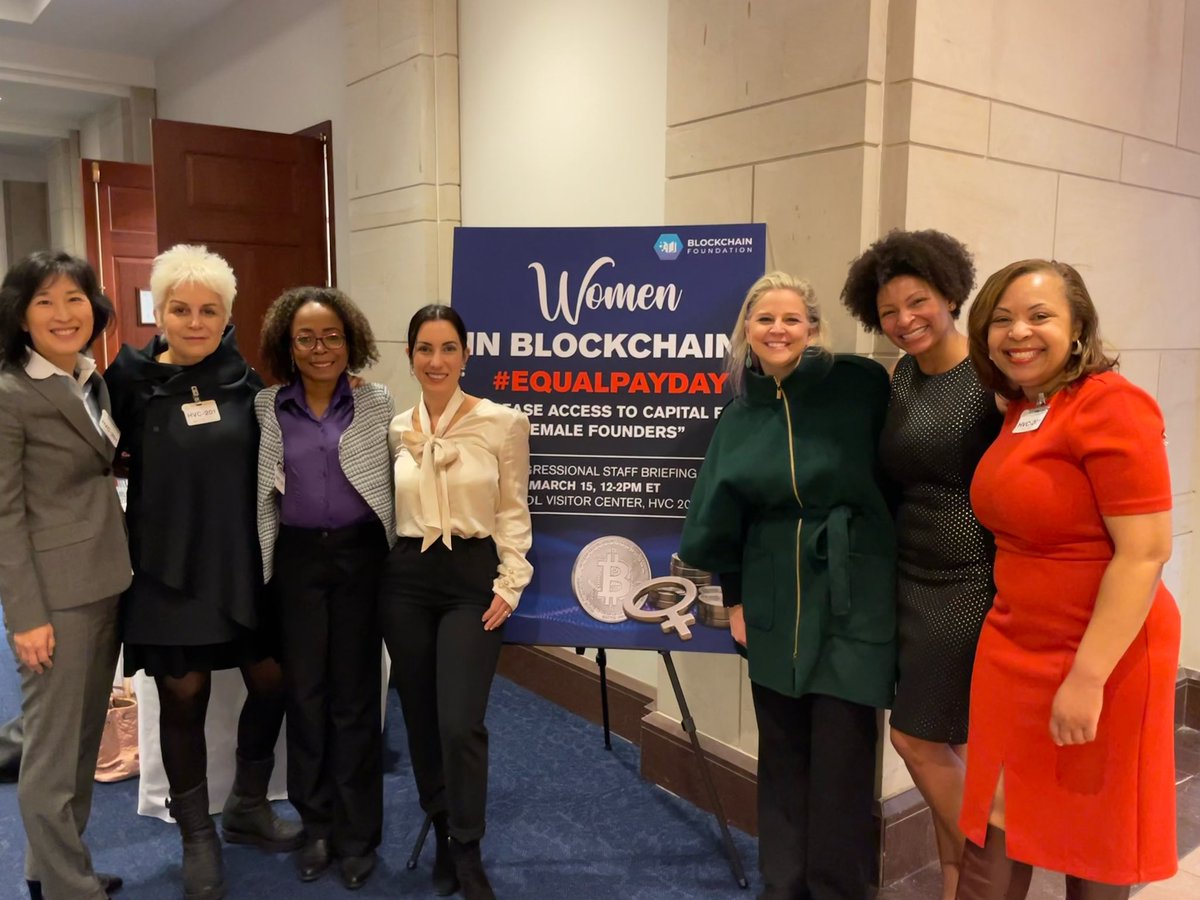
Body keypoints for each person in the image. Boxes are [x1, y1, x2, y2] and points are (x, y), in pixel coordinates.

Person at [957, 260, 1179, 899]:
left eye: (1039, 316)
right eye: (1001, 319)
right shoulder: (1026, 406)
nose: (1017, 332)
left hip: (1102, 652)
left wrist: (1087, 678)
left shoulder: (1113, 405)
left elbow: (1144, 552)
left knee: (1094, 834)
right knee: (994, 817)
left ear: (1078, 327)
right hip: (1015, 643)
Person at [680, 272, 897, 900]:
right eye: (765, 319)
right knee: (780, 748)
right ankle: (783, 885)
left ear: (815, 328)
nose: (778, 330)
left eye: (792, 319)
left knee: (843, 754)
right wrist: (735, 600)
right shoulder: (739, 412)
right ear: (746, 331)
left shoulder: (859, 384)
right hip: (771, 587)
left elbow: (899, 473)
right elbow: (724, 515)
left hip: (852, 585)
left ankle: (839, 890)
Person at [104, 244, 302, 900]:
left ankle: (247, 803)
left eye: (209, 310)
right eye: (181, 309)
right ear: (159, 313)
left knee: (272, 679)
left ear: (227, 316)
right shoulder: (127, 381)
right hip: (165, 566)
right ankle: (196, 835)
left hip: (241, 562)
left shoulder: (246, 382)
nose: (195, 321)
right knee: (183, 695)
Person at [841, 230, 1002, 899]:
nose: (904, 320)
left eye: (918, 302)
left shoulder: (990, 378)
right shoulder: (904, 375)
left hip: (968, 580)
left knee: (915, 740)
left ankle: (998, 872)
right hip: (910, 576)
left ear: (951, 295)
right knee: (947, 746)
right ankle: (957, 888)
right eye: (889, 311)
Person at [380, 304, 532, 900]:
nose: (436, 360)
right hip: (407, 578)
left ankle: (468, 847)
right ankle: (441, 827)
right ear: (410, 356)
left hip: (472, 577)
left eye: (448, 348)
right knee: (419, 715)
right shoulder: (397, 427)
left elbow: (513, 509)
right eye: (425, 348)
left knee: (460, 721)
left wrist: (510, 581)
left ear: (466, 356)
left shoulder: (503, 423)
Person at [0, 251, 131, 900]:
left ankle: (52, 869)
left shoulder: (85, 376)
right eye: (45, 301)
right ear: (21, 315)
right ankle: (66, 889)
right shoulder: (10, 394)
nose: (63, 313)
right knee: (52, 755)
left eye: (75, 298)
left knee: (80, 744)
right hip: (54, 600)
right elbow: (4, 515)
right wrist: (24, 617)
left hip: (103, 580)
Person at [255, 287, 394, 889]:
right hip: (298, 560)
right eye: (306, 338)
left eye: (332, 336)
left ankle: (358, 834)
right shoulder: (268, 406)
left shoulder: (376, 401)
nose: (320, 348)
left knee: (355, 697)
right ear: (288, 345)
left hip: (363, 558)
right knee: (305, 695)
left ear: (350, 341)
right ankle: (316, 825)